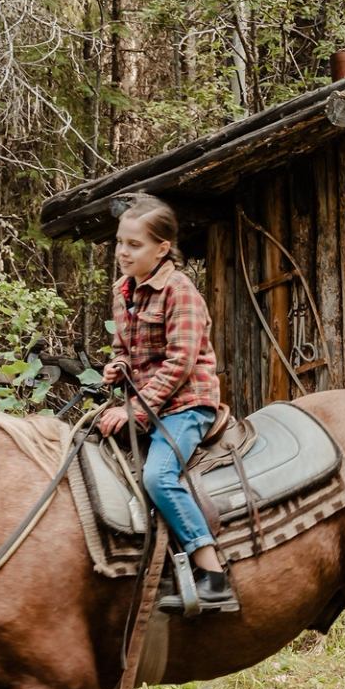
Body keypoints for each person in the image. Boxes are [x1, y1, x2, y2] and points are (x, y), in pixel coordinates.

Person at [98, 192, 240, 614]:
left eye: (134, 245)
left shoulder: (181, 291)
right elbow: (124, 348)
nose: (123, 252)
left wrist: (135, 411)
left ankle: (213, 573)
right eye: (120, 242)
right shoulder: (123, 289)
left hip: (185, 405)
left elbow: (180, 363)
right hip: (145, 401)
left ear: (162, 248)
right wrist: (117, 367)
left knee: (159, 476)